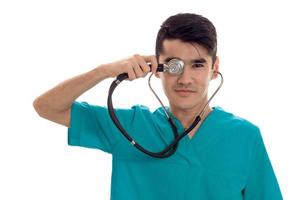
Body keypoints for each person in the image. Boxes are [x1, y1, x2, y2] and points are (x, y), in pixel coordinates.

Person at [33, 13, 283, 200]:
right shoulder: (130, 126)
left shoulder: (245, 136)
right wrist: (105, 71)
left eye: (198, 65)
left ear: (214, 68)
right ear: (157, 68)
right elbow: (46, 106)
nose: (185, 79)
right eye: (174, 66)